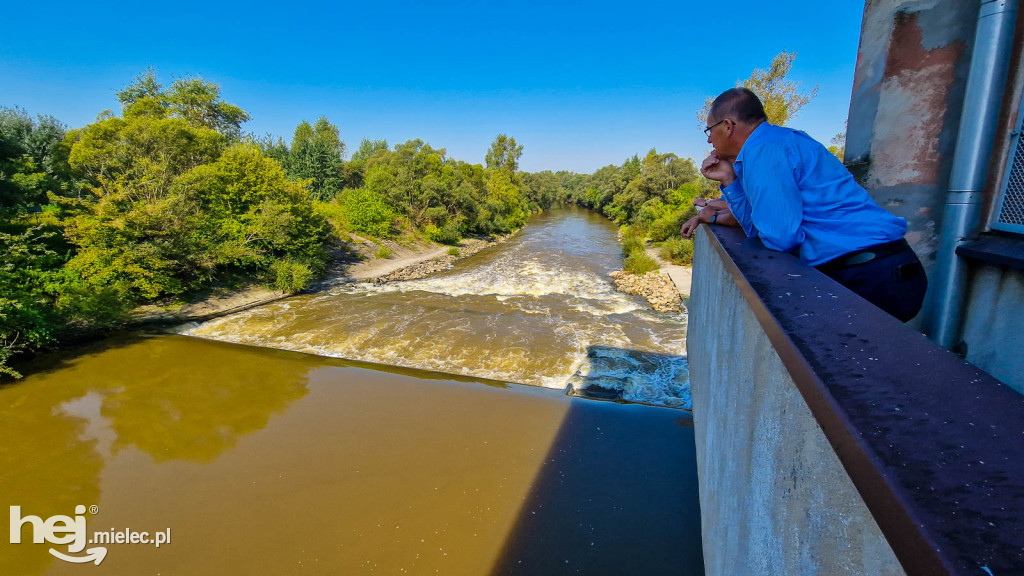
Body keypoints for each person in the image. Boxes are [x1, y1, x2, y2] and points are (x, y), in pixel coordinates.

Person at [680, 87, 927, 322]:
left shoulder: (764, 150)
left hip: (870, 272)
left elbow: (779, 237)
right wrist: (729, 179)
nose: (710, 140)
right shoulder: (775, 142)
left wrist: (715, 213)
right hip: (881, 268)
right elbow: (756, 227)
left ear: (728, 126)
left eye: (709, 130)